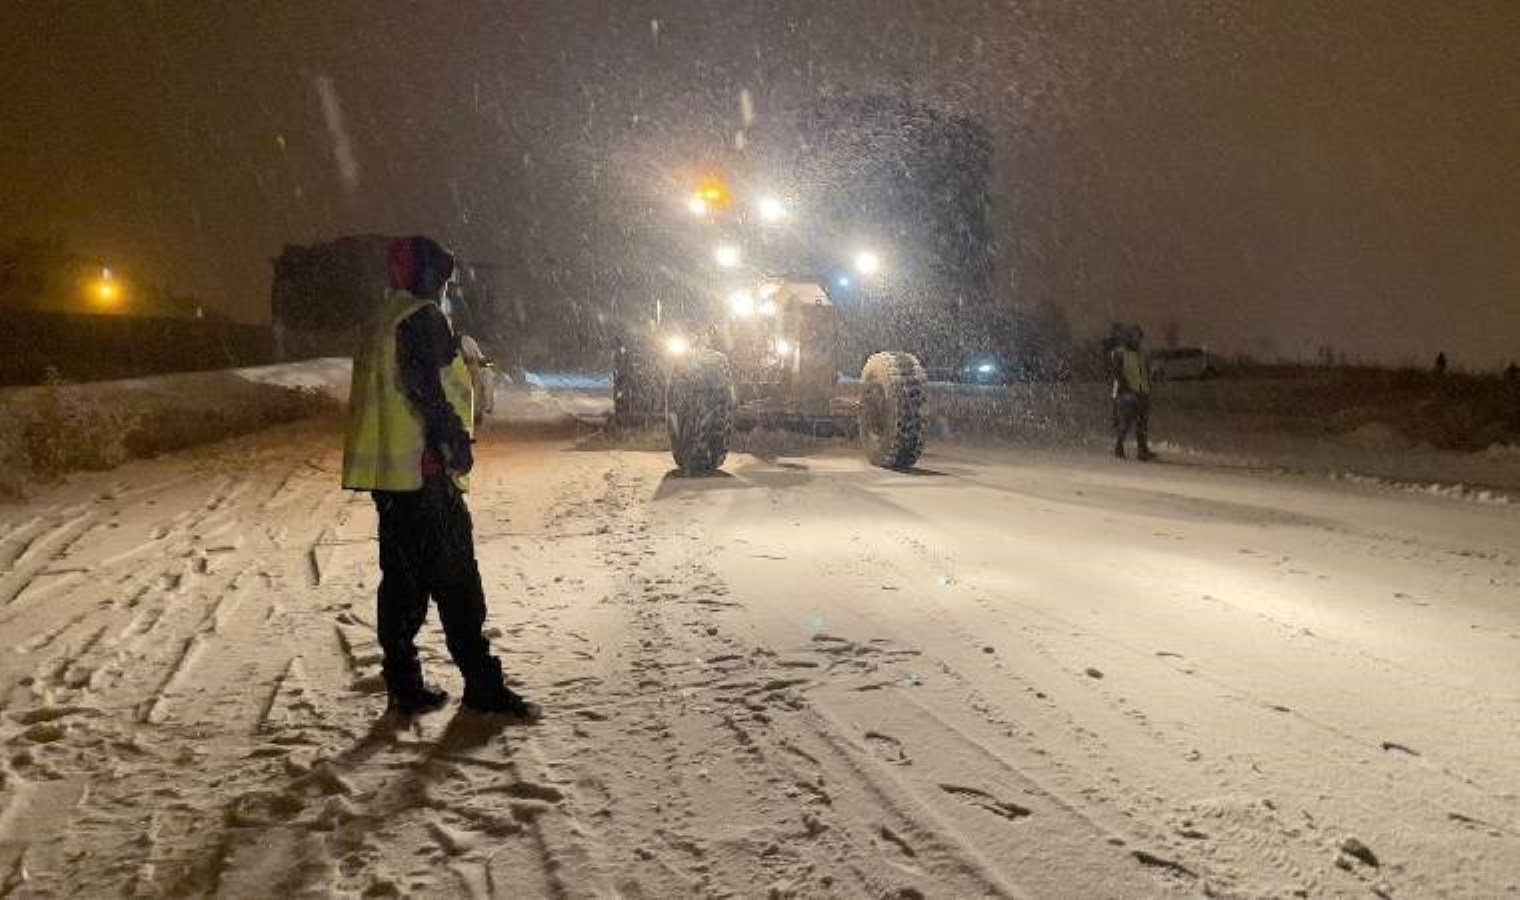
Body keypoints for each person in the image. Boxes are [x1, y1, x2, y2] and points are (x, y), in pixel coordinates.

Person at [342, 235, 537, 720]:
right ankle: (482, 686)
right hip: (426, 474)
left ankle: (404, 684)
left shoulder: (381, 322)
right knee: (458, 585)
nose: (447, 288)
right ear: (431, 277)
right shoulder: (422, 320)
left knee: (402, 583)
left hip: (390, 479)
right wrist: (452, 443)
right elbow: (427, 391)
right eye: (445, 278)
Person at [1111, 323, 1154, 461]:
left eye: (1139, 336)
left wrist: (1149, 385)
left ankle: (1142, 450)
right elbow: (1117, 374)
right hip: (1128, 394)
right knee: (1126, 423)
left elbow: (1145, 372)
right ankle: (1119, 447)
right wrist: (1124, 389)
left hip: (1142, 392)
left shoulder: (1142, 353)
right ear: (1129, 337)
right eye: (1135, 336)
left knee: (1142, 423)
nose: (1138, 339)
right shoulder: (1120, 353)